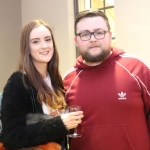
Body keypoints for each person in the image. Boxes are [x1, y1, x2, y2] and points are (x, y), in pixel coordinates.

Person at [63, 9, 150, 150]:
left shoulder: (137, 68)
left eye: (99, 32)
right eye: (85, 34)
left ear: (110, 36)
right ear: (76, 41)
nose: (93, 39)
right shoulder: (67, 81)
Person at [0, 20, 83, 150]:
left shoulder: (56, 81)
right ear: (26, 48)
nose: (44, 46)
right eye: (35, 42)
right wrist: (60, 124)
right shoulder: (18, 82)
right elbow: (11, 137)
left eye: (47, 39)